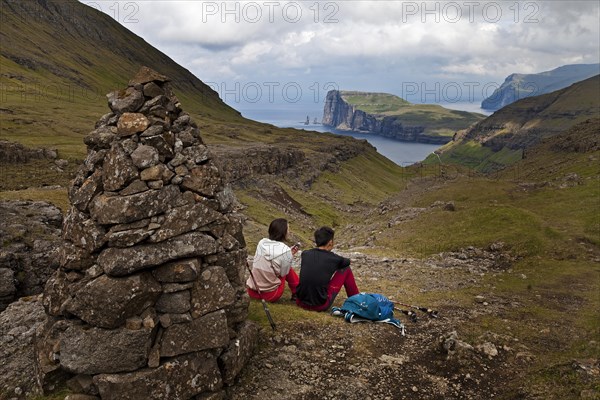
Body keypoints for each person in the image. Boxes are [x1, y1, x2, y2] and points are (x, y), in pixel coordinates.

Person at [296, 226, 360, 311]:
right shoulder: (334, 259)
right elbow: (347, 262)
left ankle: (356, 300)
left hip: (300, 302)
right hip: (320, 305)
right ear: (330, 242)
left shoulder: (305, 253)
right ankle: (357, 301)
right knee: (346, 269)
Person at [246, 218, 299, 302]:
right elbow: (284, 273)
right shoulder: (285, 251)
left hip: (252, 292)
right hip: (270, 295)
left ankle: (297, 290)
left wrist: (288, 254)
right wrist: (288, 256)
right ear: (283, 232)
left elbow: (273, 253)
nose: (289, 232)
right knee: (287, 269)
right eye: (288, 230)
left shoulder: (261, 242)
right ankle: (297, 291)